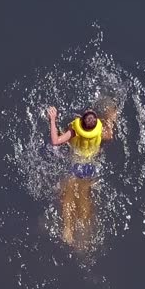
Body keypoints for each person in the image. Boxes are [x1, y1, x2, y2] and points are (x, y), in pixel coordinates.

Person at [46, 105, 116, 249]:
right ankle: (84, 232)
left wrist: (52, 120)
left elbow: (55, 141)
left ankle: (67, 230)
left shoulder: (74, 131)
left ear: (81, 122)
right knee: (84, 195)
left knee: (67, 197)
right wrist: (111, 117)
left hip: (75, 165)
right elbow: (110, 135)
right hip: (90, 167)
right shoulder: (100, 132)